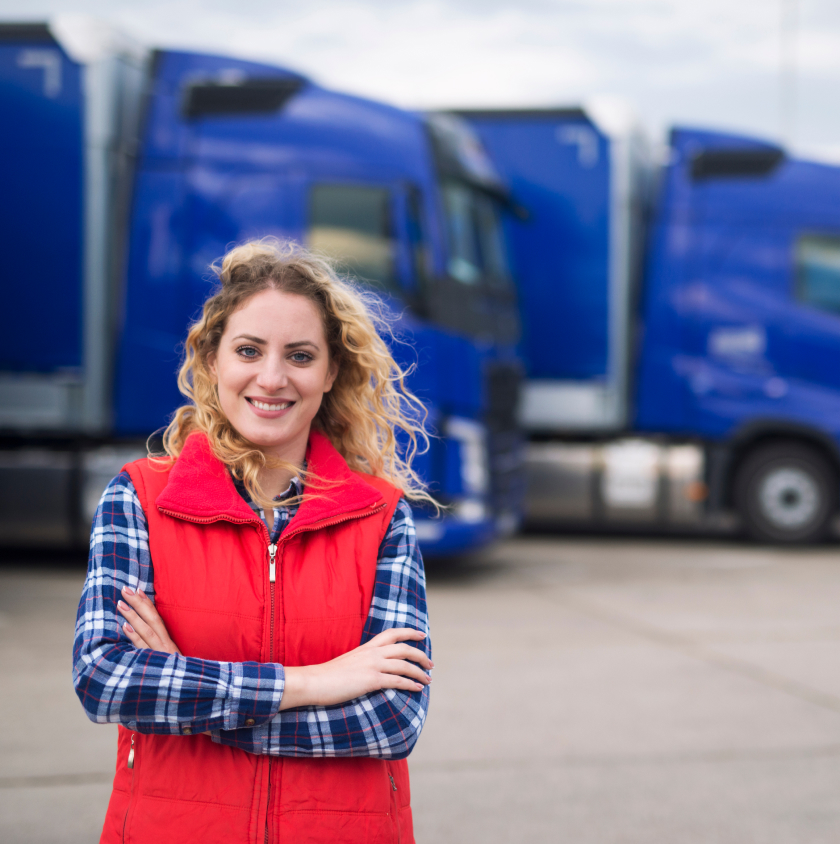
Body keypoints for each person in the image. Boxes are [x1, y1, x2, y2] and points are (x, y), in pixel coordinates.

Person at [72, 240, 434, 844]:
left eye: (300, 355)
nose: (271, 377)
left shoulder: (382, 516)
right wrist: (314, 683)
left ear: (330, 372)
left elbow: (391, 721)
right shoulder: (139, 498)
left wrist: (189, 695)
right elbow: (104, 679)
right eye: (248, 350)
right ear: (213, 360)